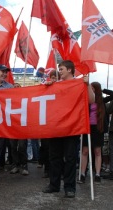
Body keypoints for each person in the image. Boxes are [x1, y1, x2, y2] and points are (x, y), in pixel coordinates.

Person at [42, 60, 95, 198]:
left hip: (72, 127)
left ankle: (69, 187)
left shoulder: (80, 83)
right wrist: (48, 86)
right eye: (59, 68)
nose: (59, 71)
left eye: (62, 68)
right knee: (54, 157)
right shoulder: (56, 85)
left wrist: (87, 84)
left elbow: (91, 100)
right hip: (56, 126)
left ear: (70, 70)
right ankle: (54, 185)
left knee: (70, 158)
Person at [78, 82, 106, 184]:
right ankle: (82, 173)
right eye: (90, 88)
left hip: (98, 128)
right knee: (85, 151)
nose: (91, 90)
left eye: (93, 89)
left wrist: (103, 91)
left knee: (97, 151)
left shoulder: (101, 100)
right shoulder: (86, 99)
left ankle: (97, 174)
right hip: (87, 128)